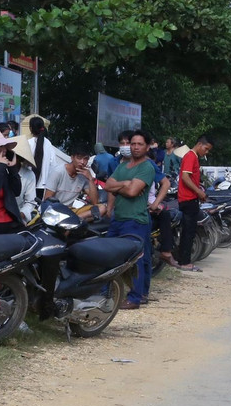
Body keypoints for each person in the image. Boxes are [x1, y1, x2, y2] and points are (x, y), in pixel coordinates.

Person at [103, 130, 157, 309]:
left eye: (139, 144)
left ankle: (135, 297)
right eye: (132, 143)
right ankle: (106, 293)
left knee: (136, 260)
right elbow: (107, 185)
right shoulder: (122, 166)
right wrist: (125, 184)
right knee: (109, 256)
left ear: (147, 147)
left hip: (135, 220)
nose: (134, 147)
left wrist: (119, 187)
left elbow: (133, 192)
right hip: (118, 218)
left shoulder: (146, 167)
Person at [175, 136, 213, 270]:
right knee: (188, 231)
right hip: (188, 199)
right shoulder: (190, 156)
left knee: (190, 231)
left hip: (191, 198)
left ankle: (183, 260)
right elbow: (185, 177)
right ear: (199, 144)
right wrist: (198, 192)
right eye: (206, 149)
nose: (206, 152)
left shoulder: (194, 157)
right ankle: (184, 262)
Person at [43, 144, 102, 215]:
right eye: (79, 158)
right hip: (56, 211)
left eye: (85, 159)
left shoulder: (84, 175)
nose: (82, 162)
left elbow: (95, 202)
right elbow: (47, 199)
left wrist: (90, 179)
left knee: (101, 208)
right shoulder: (58, 172)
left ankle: (77, 220)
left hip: (71, 211)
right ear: (72, 158)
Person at [21, 115, 57, 202]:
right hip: (45, 185)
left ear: (30, 128)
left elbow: (23, 163)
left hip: (29, 183)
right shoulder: (48, 144)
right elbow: (53, 165)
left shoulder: (27, 143)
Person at [9, 135, 40, 221]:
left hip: (18, 219)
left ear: (19, 158)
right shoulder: (0, 171)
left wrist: (20, 215)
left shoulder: (29, 175)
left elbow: (30, 201)